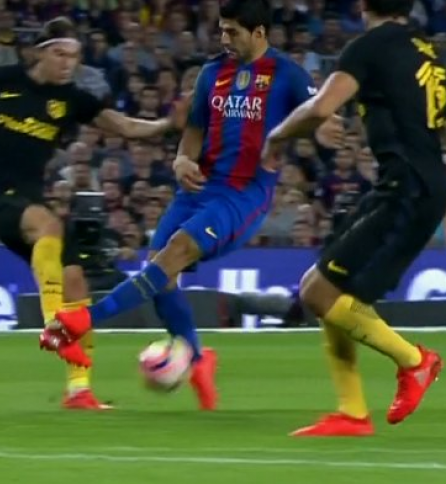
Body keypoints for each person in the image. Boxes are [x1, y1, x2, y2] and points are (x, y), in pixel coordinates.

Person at [38, 0, 343, 411]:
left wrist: (324, 129)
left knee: (175, 252)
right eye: (221, 30)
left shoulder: (287, 74)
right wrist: (183, 157)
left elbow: (319, 111)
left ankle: (81, 321)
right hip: (196, 189)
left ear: (259, 33)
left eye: (231, 31)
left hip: (243, 194)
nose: (223, 38)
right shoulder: (212, 72)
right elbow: (196, 129)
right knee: (160, 273)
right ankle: (198, 360)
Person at [260, 0, 446, 437]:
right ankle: (352, 413)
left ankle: (415, 361)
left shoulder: (368, 47)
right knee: (325, 289)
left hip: (406, 191)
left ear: (363, 5)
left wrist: (278, 134)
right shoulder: (427, 55)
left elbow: (322, 107)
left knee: (318, 294)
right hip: (415, 188)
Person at [0, 17, 189, 410]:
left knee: (76, 280)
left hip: (27, 197)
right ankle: (53, 329)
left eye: (74, 56)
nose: (67, 63)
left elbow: (123, 126)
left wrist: (166, 125)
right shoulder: (1, 78)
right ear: (40, 52)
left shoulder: (71, 99)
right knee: (49, 224)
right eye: (60, 54)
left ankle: (79, 391)